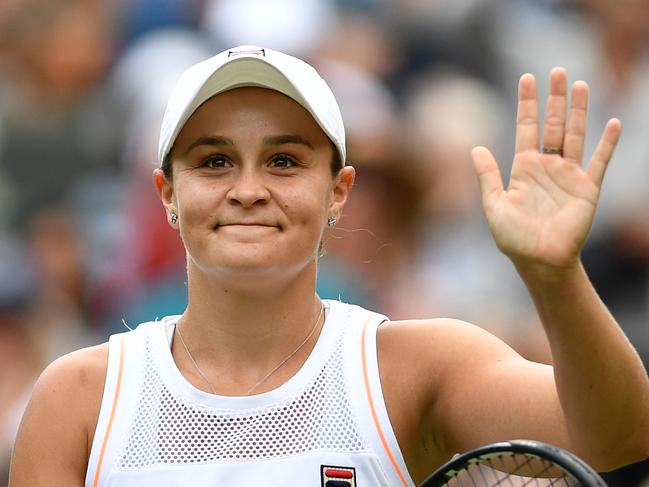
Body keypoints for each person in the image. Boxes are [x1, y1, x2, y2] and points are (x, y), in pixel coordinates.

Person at [8, 45, 649, 486]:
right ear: (167, 192)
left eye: (284, 161)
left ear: (338, 190)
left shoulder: (413, 367)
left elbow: (621, 436)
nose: (248, 188)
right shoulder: (77, 399)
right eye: (214, 161)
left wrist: (554, 276)